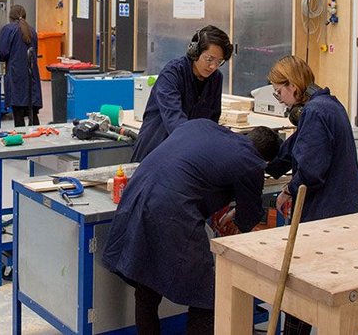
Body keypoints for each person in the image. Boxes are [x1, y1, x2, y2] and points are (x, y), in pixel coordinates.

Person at [102, 120, 282, 335]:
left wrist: (234, 211)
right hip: (172, 211)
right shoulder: (251, 161)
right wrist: (240, 218)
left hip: (138, 194)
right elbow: (250, 213)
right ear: (266, 159)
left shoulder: (201, 126)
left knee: (147, 282)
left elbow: (199, 172)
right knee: (206, 296)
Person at [265, 55, 358, 335]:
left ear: (294, 87)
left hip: (326, 215)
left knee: (301, 290)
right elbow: (295, 147)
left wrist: (288, 189)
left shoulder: (315, 113)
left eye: (279, 91)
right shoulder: (327, 106)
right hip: (341, 210)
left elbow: (311, 171)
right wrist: (267, 166)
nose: (279, 98)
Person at [130, 25, 233, 163]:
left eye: (219, 62)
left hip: (186, 154)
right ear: (194, 52)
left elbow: (212, 120)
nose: (213, 66)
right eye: (209, 59)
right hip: (155, 150)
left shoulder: (216, 79)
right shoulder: (172, 73)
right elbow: (174, 120)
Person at [0, 4, 42, 127]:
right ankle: (37, 141)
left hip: (16, 75)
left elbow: (3, 52)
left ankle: (22, 142)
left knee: (18, 115)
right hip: (31, 75)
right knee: (33, 113)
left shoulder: (8, 30)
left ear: (10, 17)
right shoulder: (32, 30)